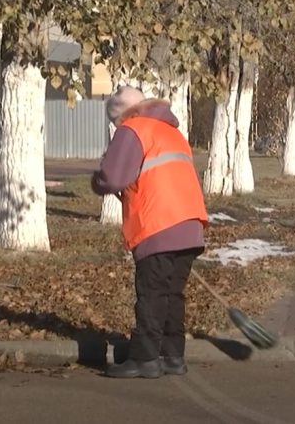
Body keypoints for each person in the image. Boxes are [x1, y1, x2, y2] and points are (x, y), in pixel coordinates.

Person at [91, 86, 209, 378]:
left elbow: (112, 177)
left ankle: (144, 358)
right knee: (173, 294)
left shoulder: (132, 129)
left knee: (152, 294)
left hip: (158, 223)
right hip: (190, 222)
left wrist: (97, 180)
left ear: (120, 117)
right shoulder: (171, 132)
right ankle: (172, 356)